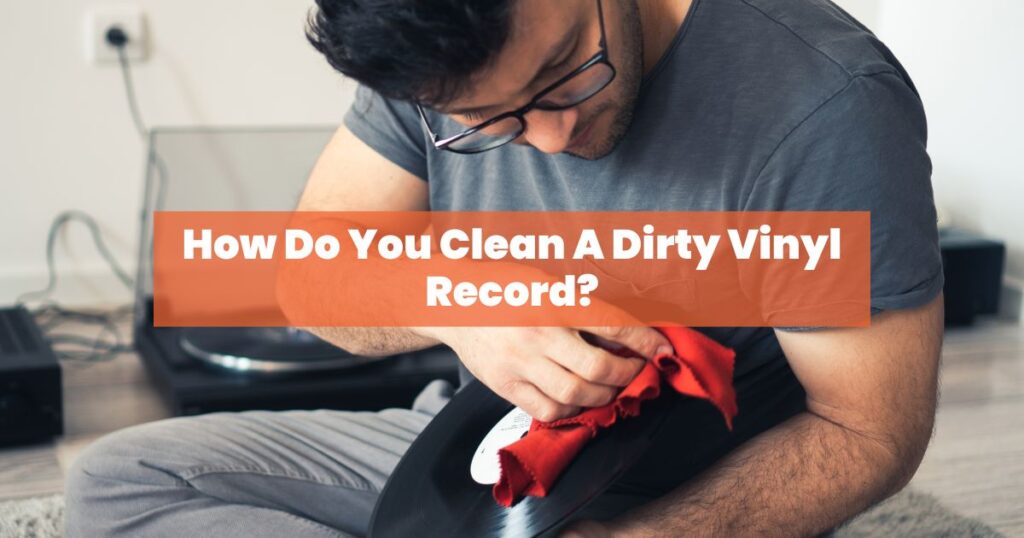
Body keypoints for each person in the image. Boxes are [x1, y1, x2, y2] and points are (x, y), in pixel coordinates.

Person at [65, 0, 945, 536]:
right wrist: (458, 301)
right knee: (121, 486)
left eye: (567, 72)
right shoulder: (435, 62)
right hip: (478, 457)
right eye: (489, 121)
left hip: (692, 499)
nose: (558, 137)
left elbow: (867, 434)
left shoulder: (827, 107)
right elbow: (311, 274)